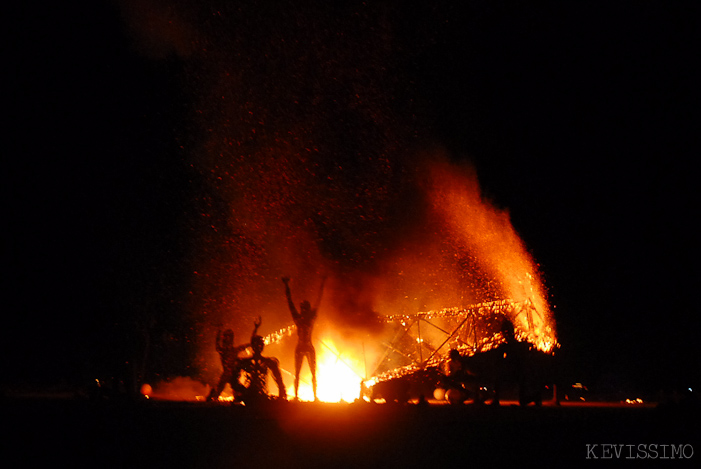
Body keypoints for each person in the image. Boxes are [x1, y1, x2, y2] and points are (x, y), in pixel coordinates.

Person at [282, 276, 326, 400]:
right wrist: (286, 286)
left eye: (305, 308)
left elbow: (319, 300)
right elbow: (289, 302)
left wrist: (322, 283)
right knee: (297, 373)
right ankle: (297, 396)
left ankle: (315, 396)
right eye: (303, 308)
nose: (303, 310)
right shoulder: (300, 319)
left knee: (312, 374)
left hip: (307, 347)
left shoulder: (308, 319)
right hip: (301, 347)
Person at [207, 317, 261, 401]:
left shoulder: (234, 350)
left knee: (238, 395)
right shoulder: (223, 351)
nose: (228, 340)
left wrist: (256, 328)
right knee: (216, 394)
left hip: (233, 376)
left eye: (229, 337)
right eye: (226, 337)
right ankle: (212, 397)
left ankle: (235, 399)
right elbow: (217, 344)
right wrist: (219, 331)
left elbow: (251, 343)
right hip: (227, 375)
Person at [238, 321, 287, 403]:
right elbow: (234, 380)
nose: (258, 347)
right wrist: (241, 392)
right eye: (257, 345)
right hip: (249, 396)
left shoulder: (268, 362)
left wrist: (282, 394)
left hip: (260, 395)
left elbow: (279, 381)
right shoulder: (245, 362)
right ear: (253, 346)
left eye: (260, 345)